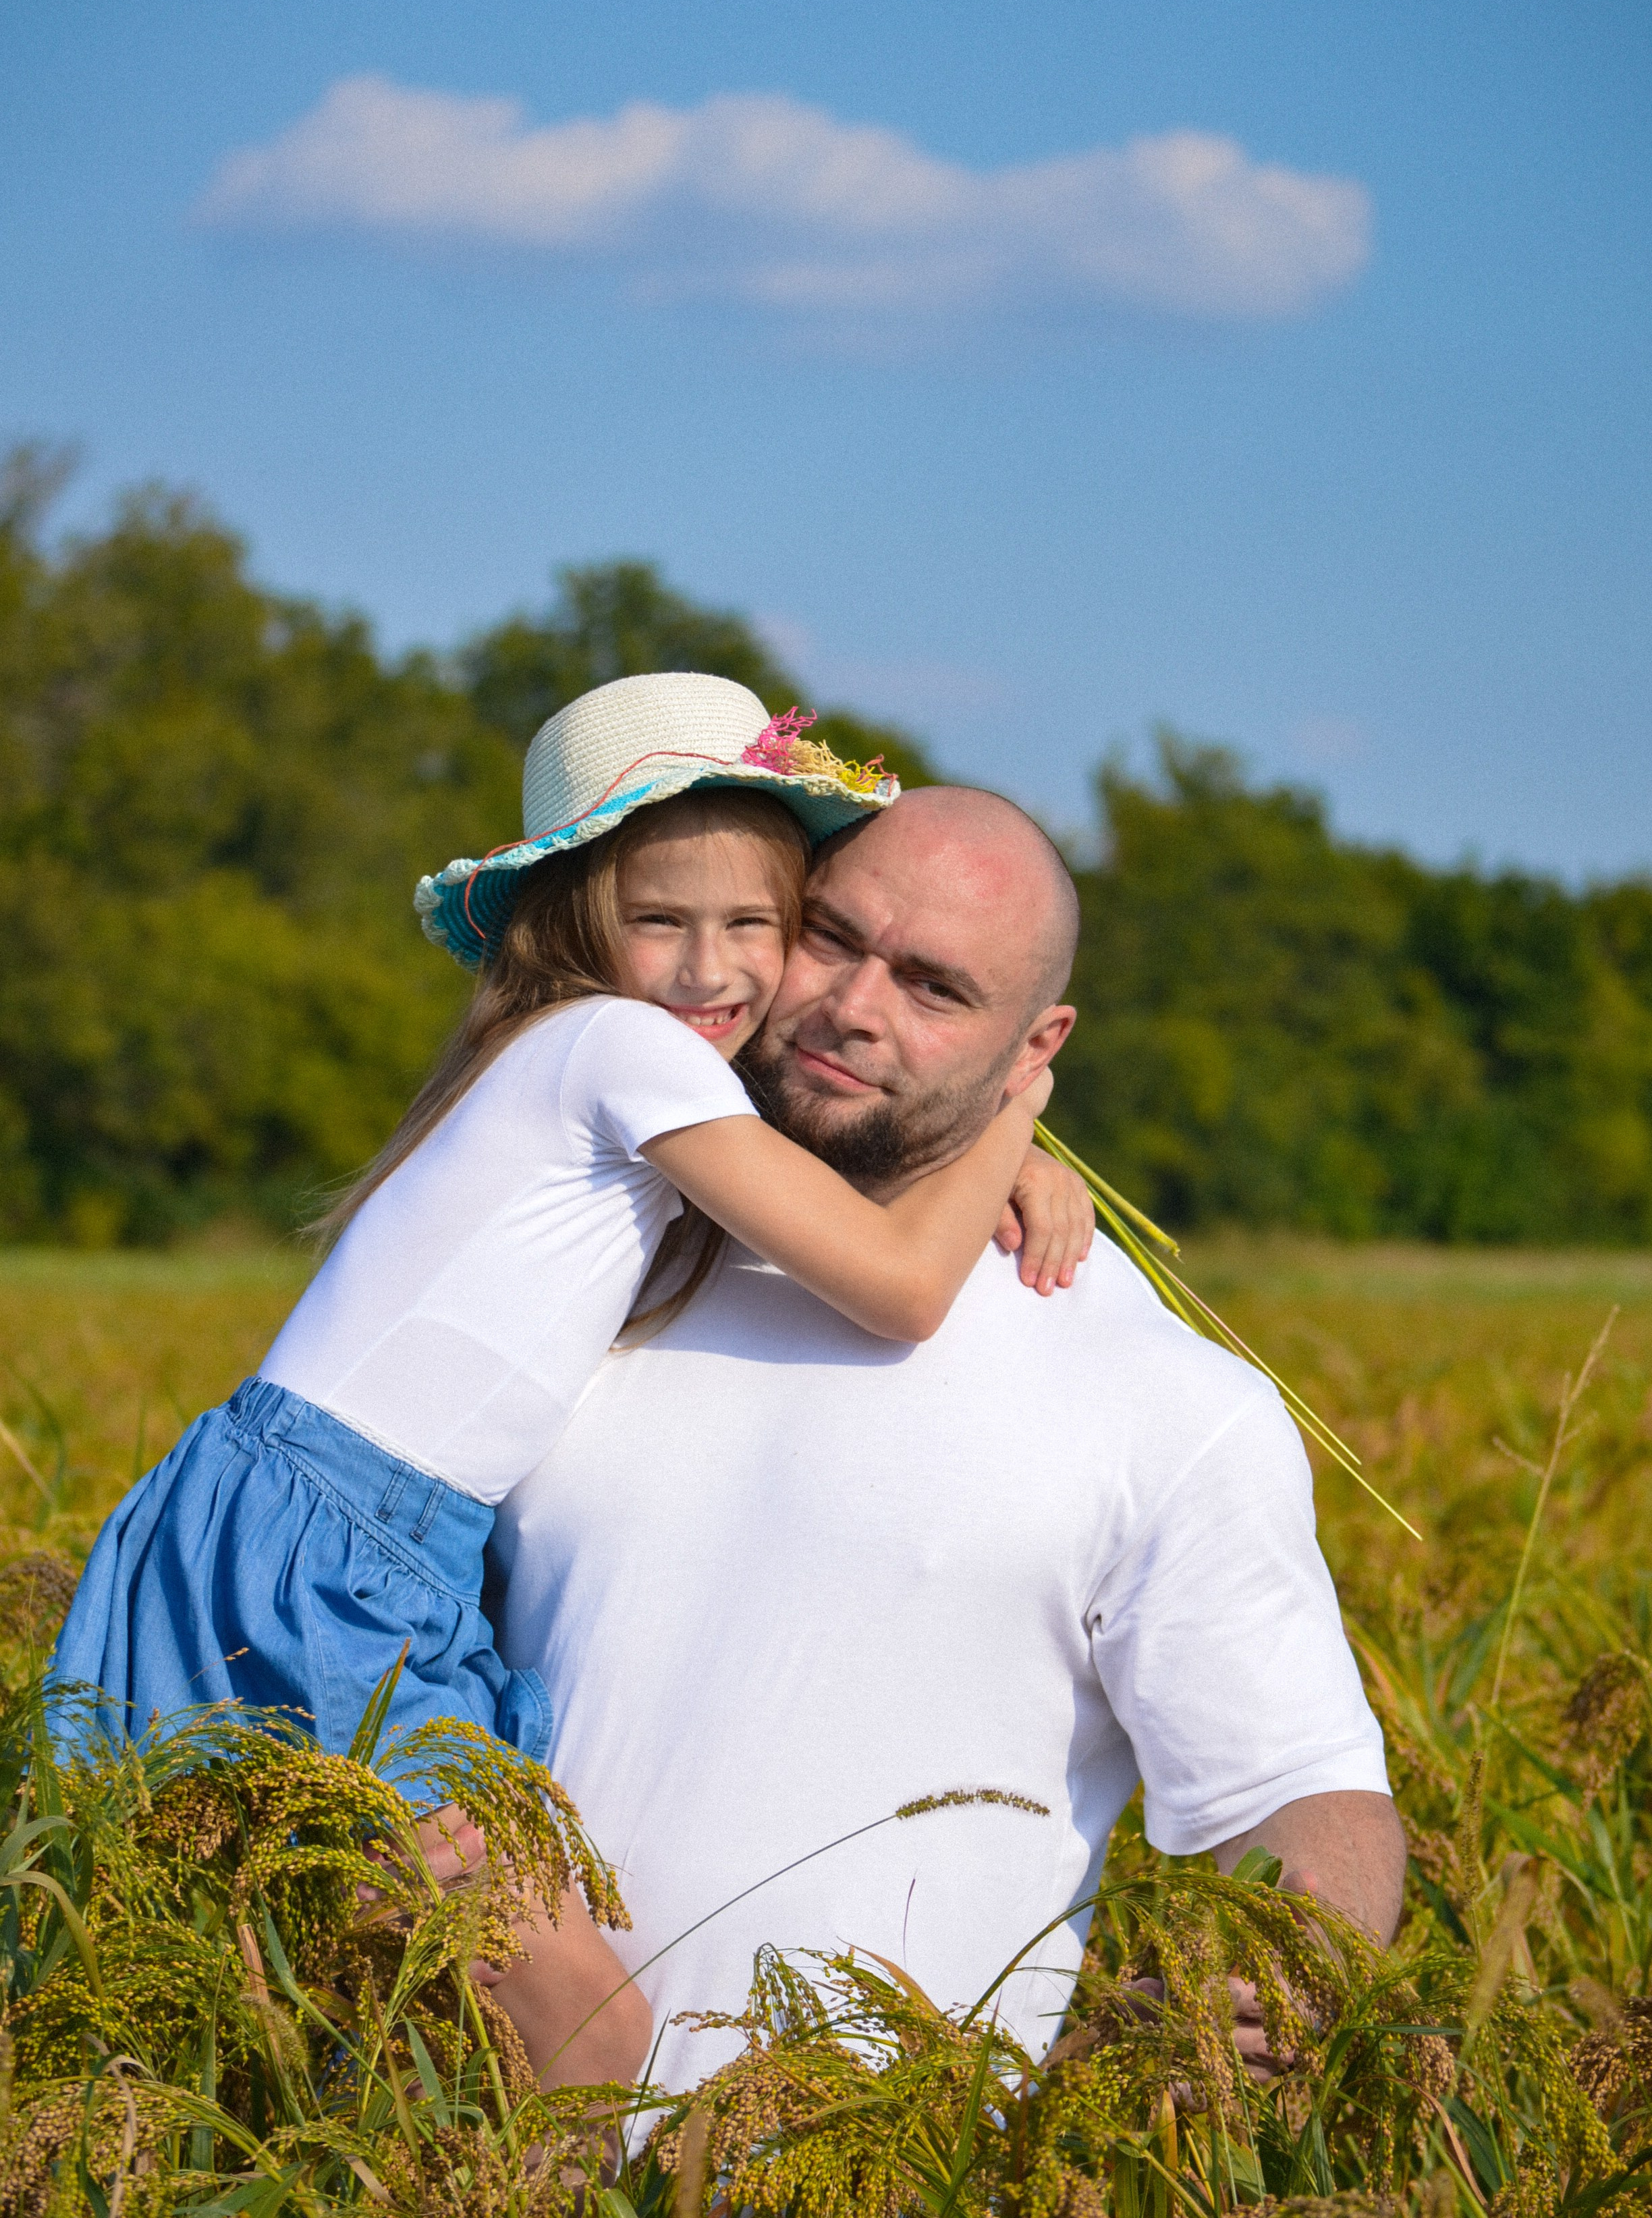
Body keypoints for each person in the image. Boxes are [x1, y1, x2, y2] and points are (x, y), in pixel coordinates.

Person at [50, 676, 1094, 2094]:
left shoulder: (607, 1077)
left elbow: (842, 1195)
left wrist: (988, 1159)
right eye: (661, 920)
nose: (708, 968)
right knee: (583, 2034)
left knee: (393, 2033)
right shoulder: (622, 1049)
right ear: (577, 921)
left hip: (357, 1546)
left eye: (755, 926)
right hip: (323, 1557)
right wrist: (1021, 1108)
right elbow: (900, 1283)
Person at [491, 782, 1405, 2101]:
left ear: (1037, 1047)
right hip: (492, 2160)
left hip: (880, 2169)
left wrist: (1289, 1954)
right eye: (831, 937)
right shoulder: (580, 1257)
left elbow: (1303, 1783)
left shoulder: (1154, 1394)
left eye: (934, 988)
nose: (855, 1007)